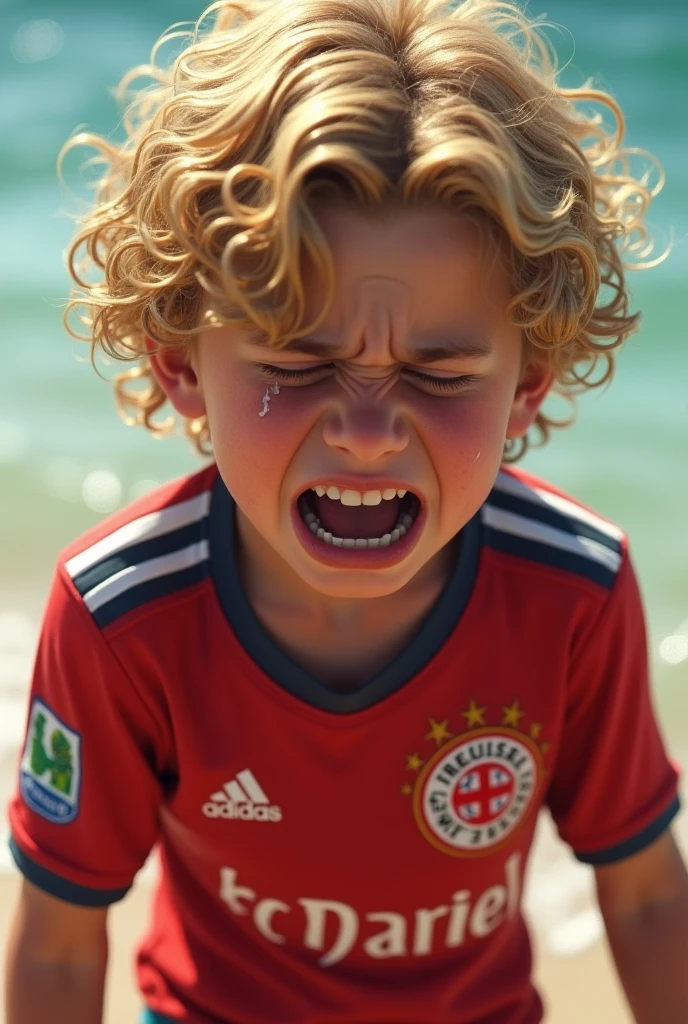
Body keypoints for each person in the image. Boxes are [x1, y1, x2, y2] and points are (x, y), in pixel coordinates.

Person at [5, 0, 688, 1021]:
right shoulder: (119, 614)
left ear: (530, 380)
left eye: (441, 373)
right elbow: (59, 951)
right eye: (297, 364)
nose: (367, 433)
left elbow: (640, 897)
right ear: (183, 365)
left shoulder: (572, 586)